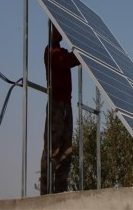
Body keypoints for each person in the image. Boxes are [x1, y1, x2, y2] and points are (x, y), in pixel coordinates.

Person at [40, 25, 80, 195]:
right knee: (53, 148)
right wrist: (79, 51)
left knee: (66, 149)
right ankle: (46, 191)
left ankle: (60, 190)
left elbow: (72, 59)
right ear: (50, 32)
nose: (60, 31)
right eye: (56, 28)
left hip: (66, 105)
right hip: (56, 104)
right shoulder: (52, 52)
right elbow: (67, 61)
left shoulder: (61, 51)